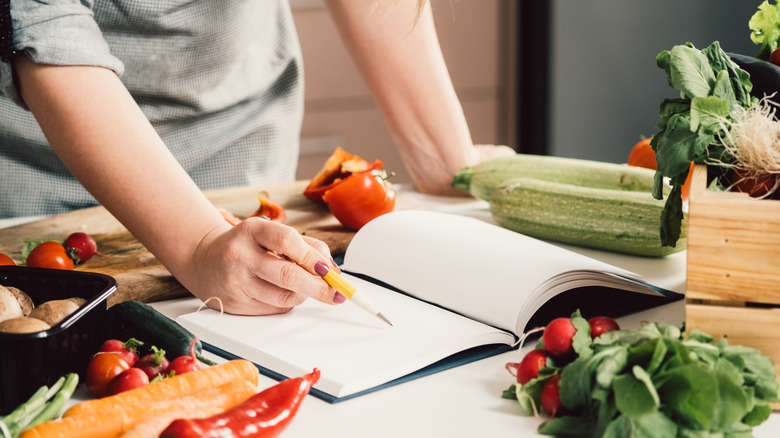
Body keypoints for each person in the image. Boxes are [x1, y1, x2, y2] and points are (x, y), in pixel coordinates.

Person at [0, 0, 514, 315]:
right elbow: (49, 31)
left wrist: (443, 155)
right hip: (45, 180)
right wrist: (200, 243)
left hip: (239, 145)